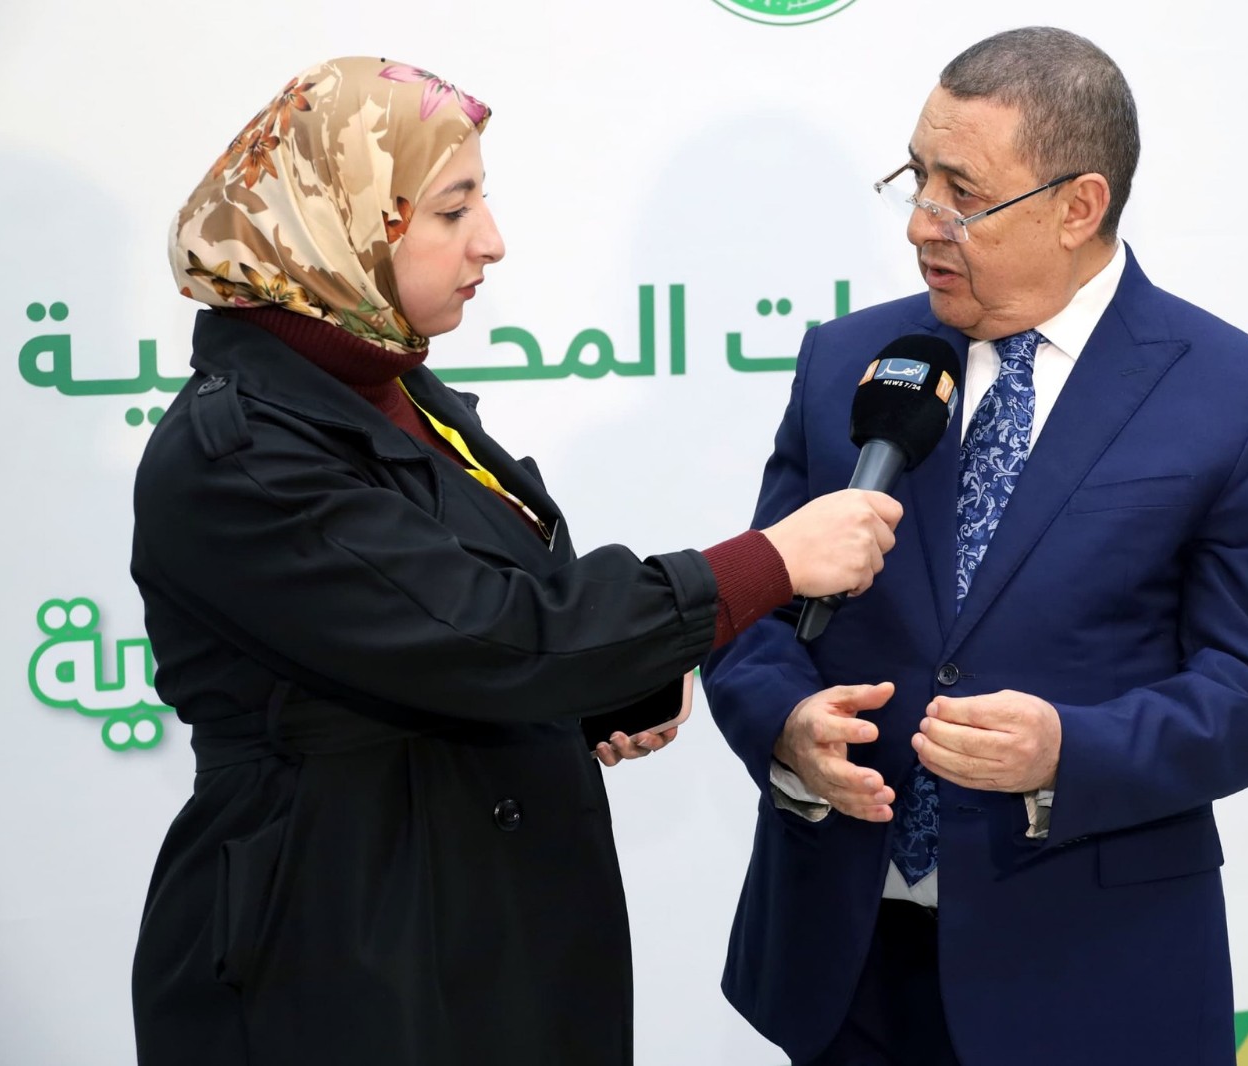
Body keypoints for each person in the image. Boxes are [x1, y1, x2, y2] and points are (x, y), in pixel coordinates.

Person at [128, 56, 900, 1066]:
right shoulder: (239, 453)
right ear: (337, 224)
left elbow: (479, 621)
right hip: (339, 950)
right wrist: (767, 564)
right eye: (453, 210)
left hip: (487, 936)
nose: (491, 240)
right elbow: (488, 636)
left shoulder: (396, 393)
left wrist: (596, 691)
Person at [703, 26, 1248, 1066]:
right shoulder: (850, 360)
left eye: (962, 193)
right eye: (916, 178)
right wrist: (787, 725)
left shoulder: (1235, 398)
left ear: (1079, 206)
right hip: (844, 963)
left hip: (1087, 974)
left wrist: (1068, 750)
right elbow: (759, 608)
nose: (921, 223)